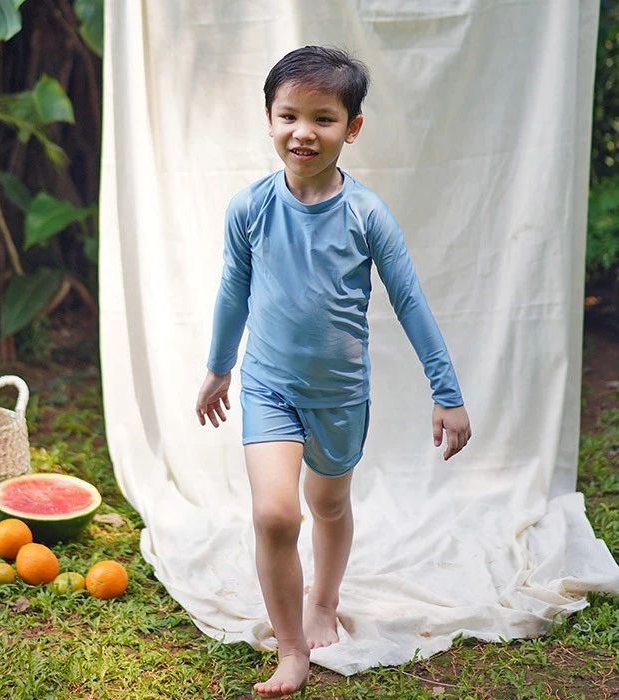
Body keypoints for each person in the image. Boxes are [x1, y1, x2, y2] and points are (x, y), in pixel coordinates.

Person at [195, 45, 472, 699]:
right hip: (269, 387)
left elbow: (410, 300)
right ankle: (290, 648)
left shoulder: (366, 214)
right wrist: (218, 368)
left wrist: (448, 392)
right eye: (289, 115)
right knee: (275, 516)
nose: (303, 132)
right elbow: (233, 291)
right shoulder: (250, 208)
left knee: (328, 504)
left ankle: (325, 598)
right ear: (269, 118)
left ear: (352, 128)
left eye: (323, 118)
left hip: (341, 396)